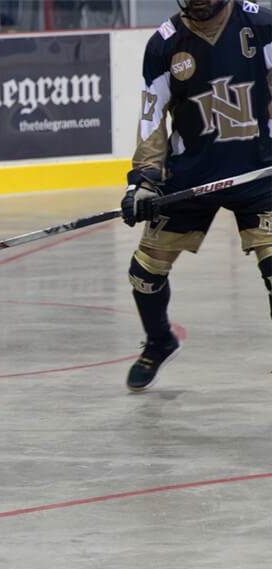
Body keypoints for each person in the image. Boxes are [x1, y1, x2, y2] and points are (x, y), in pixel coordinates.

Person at [121, 0, 272, 392]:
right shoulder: (164, 44)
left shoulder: (262, 24)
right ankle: (159, 341)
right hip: (191, 174)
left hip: (259, 171)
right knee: (144, 274)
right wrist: (144, 181)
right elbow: (152, 117)